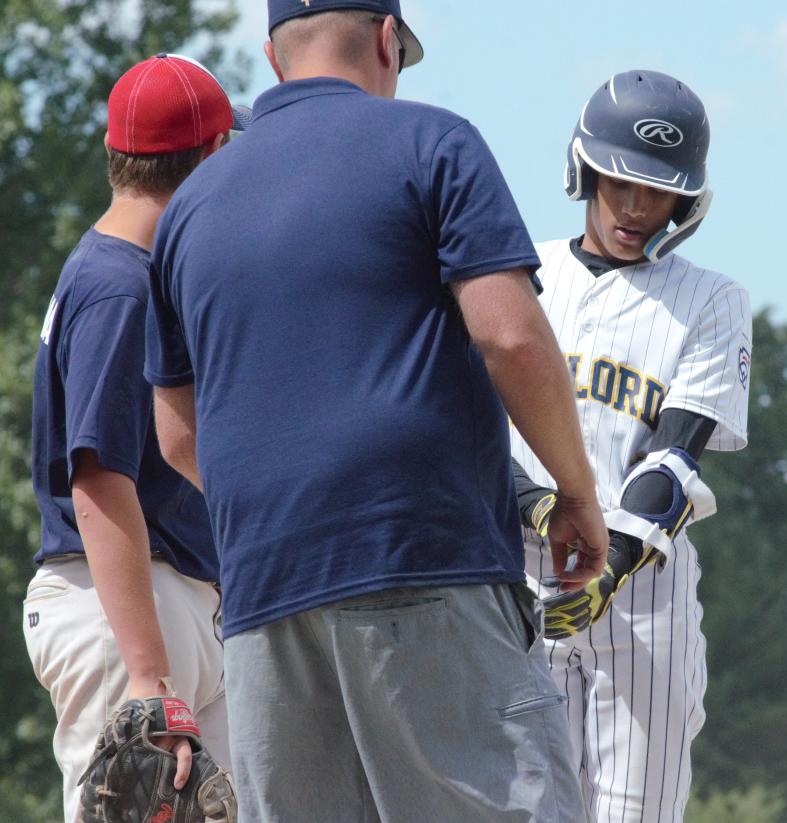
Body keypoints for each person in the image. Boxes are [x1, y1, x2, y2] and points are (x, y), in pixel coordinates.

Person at [142, 1, 608, 820]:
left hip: (263, 591)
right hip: (423, 558)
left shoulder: (189, 209)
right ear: (388, 42)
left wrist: (288, 504)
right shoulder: (433, 143)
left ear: (274, 58)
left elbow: (176, 431)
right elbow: (512, 339)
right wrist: (576, 493)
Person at [509, 70, 753, 822]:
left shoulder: (712, 299)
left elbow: (678, 457)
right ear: (587, 169)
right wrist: (541, 511)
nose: (639, 208)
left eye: (660, 193)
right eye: (621, 183)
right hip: (519, 583)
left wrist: (610, 562)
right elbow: (475, 431)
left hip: (642, 602)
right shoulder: (520, 273)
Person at [21, 53, 246, 823]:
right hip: (123, 609)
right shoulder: (119, 284)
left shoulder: (129, 271)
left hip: (162, 599)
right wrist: (149, 677)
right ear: (211, 157)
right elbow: (98, 479)